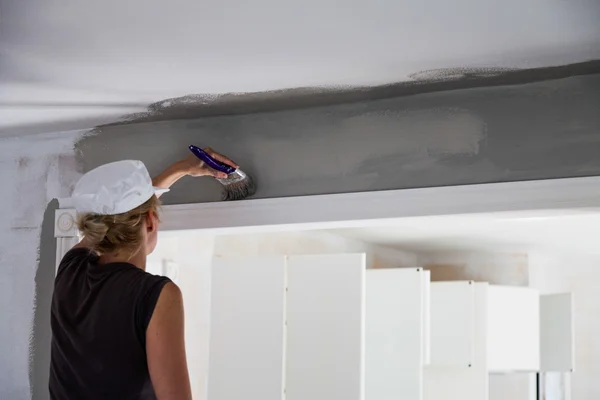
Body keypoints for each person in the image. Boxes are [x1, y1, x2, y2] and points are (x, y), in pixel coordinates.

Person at [49, 148, 239, 400]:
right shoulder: (155, 295)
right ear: (151, 221)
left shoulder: (70, 270)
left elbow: (111, 220)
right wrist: (180, 168)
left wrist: (179, 169)